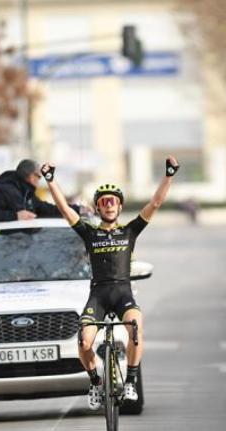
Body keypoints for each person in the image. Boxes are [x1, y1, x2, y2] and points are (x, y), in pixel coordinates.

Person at [41, 156, 180, 410]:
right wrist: (50, 180)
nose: (108, 205)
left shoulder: (129, 231)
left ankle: (130, 381)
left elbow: (156, 202)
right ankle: (95, 382)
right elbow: (64, 209)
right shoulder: (89, 233)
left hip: (123, 293)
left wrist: (169, 174)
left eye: (113, 201)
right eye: (104, 202)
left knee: (135, 327)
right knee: (84, 342)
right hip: (99, 296)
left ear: (119, 206)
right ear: (98, 208)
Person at [0, 159, 80, 222]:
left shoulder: (27, 194)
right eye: (39, 177)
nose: (39, 181)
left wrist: (78, 210)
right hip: (5, 246)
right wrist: (15, 216)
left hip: (24, 244)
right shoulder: (2, 190)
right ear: (31, 176)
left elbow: (47, 209)